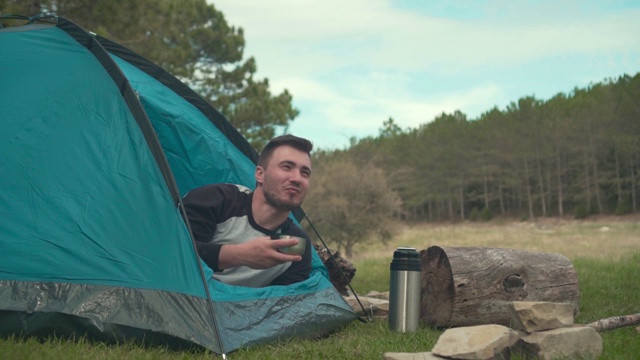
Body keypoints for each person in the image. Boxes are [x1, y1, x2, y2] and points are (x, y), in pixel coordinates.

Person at [182, 134, 313, 287]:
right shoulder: (217, 200)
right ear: (260, 174)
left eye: (305, 173)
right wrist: (238, 255)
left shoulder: (296, 243)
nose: (297, 178)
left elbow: (286, 302)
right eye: (286, 167)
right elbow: (171, 253)